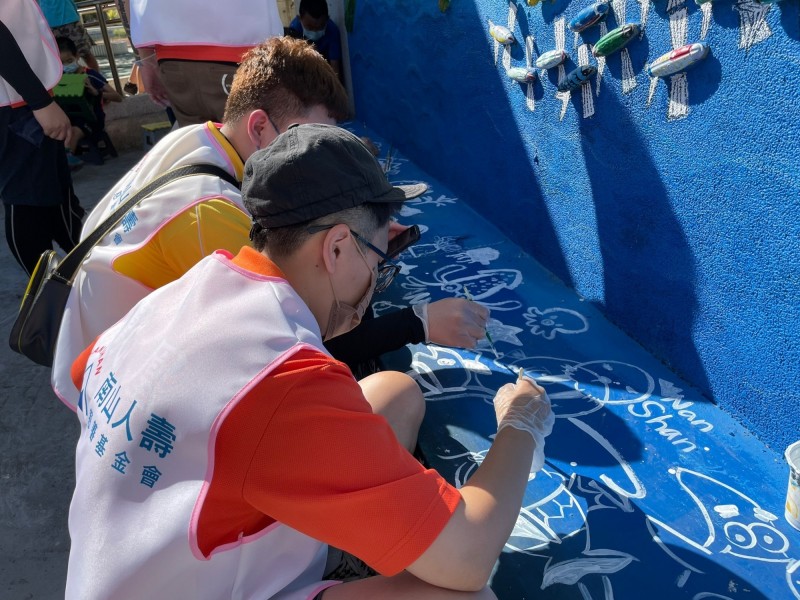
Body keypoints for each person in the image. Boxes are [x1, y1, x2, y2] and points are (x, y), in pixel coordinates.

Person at [64, 123, 556, 600]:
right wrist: (521, 424)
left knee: (393, 394)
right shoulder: (281, 383)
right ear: (338, 247)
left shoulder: (184, 291)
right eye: (378, 263)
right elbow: (469, 556)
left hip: (139, 562)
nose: (375, 284)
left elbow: (81, 371)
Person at [52, 36, 489, 412]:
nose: (319, 155)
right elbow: (306, 337)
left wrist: (364, 236)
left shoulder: (198, 140)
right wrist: (421, 322)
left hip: (104, 348)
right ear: (260, 126)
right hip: (119, 394)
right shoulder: (213, 214)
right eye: (305, 138)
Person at [0, 0, 84, 276]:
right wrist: (40, 103)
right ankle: (50, 298)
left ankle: (83, 288)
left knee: (56, 202)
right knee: (29, 205)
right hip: (17, 102)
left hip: (24, 95)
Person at [124, 0, 283, 126]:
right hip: (241, 50)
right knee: (256, 151)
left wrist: (146, 60)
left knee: (200, 151)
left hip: (172, 55)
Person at [55, 35, 122, 159]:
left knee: (73, 132)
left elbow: (118, 97)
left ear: (77, 57)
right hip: (67, 120)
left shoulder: (90, 75)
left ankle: (67, 162)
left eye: (69, 61)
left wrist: (97, 92)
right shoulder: (59, 79)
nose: (66, 66)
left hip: (92, 121)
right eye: (61, 63)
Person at [38, 0, 101, 72]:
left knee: (85, 53)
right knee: (55, 59)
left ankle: (98, 79)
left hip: (68, 18)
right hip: (51, 22)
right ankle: (69, 81)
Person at [288, 0, 343, 80]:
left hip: (325, 68)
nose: (314, 31)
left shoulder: (332, 31)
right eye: (309, 27)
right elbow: (292, 67)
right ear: (299, 19)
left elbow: (335, 68)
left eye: (320, 27)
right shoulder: (294, 30)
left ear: (327, 20)